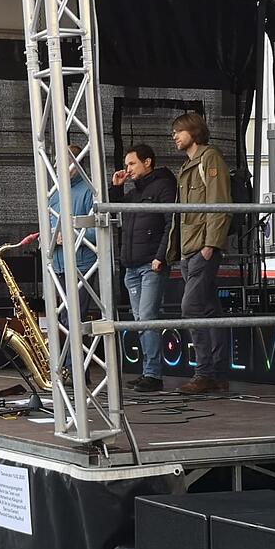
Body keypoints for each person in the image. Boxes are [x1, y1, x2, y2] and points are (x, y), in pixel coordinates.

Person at [167, 112, 232, 394]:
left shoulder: (209, 158)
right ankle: (217, 372)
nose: (174, 136)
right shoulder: (187, 166)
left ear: (193, 131)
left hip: (201, 248)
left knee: (191, 308)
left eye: (178, 131)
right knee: (208, 308)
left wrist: (211, 244)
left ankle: (204, 373)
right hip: (189, 248)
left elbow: (219, 202)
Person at [110, 144, 178, 393]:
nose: (127, 169)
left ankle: (153, 374)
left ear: (147, 162)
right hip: (132, 267)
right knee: (140, 320)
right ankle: (148, 371)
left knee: (148, 318)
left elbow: (172, 222)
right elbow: (114, 214)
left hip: (151, 265)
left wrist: (161, 257)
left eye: (131, 164)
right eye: (127, 165)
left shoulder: (163, 186)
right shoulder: (134, 192)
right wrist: (116, 188)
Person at [48, 144, 96, 372]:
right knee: (64, 320)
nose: (56, 165)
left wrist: (67, 236)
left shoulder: (89, 191)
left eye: (61, 160)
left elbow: (98, 231)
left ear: (76, 163)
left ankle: (75, 370)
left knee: (74, 318)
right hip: (58, 265)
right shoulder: (55, 193)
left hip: (81, 265)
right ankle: (69, 368)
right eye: (56, 161)